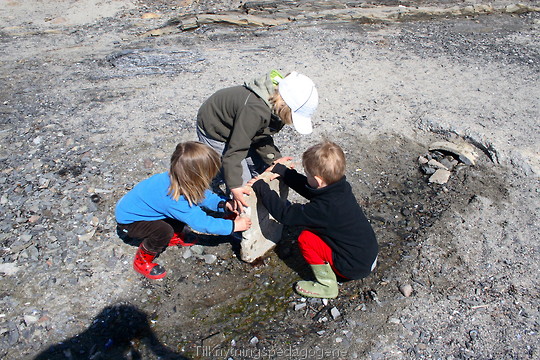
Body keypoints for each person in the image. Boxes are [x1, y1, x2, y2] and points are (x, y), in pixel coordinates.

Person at [248, 141, 378, 298]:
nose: (306, 177)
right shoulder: (341, 188)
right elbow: (311, 190)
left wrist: (261, 188)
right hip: (368, 256)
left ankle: (327, 284)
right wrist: (284, 172)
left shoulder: (323, 209)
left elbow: (285, 214)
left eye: (308, 175)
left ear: (318, 180)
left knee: (305, 238)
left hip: (351, 268)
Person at [115, 141, 252, 280]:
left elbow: (203, 195)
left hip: (142, 209)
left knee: (178, 217)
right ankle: (142, 261)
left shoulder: (177, 179)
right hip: (130, 222)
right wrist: (234, 226)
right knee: (163, 232)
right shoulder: (174, 199)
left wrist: (223, 204)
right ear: (196, 177)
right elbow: (202, 223)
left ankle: (175, 235)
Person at [196, 69, 318, 213]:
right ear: (286, 105)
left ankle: (262, 204)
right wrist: (235, 186)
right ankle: (239, 219)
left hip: (241, 127)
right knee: (242, 183)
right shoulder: (255, 111)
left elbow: (260, 134)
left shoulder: (277, 103)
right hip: (216, 128)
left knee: (260, 167)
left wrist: (274, 159)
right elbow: (235, 151)